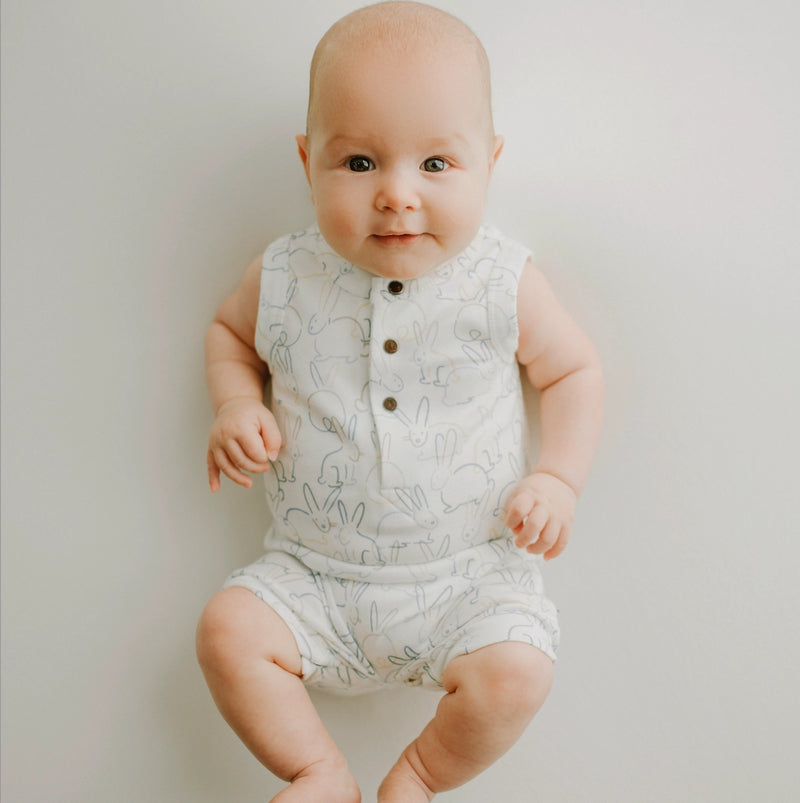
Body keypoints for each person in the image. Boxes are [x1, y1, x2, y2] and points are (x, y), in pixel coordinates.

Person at [196, 2, 604, 801]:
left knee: (519, 670)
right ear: (309, 159)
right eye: (359, 164)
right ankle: (318, 770)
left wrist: (560, 478)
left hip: (467, 581)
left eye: (437, 166)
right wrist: (234, 403)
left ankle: (417, 776)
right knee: (225, 630)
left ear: (489, 161)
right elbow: (228, 334)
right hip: (311, 579)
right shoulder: (284, 273)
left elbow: (573, 371)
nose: (396, 195)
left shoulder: (500, 280)